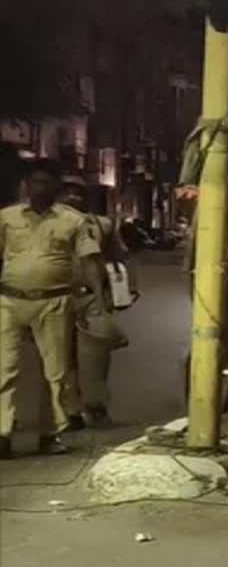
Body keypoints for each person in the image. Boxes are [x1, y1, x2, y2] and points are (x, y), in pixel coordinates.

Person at [0, 160, 106, 459]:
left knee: (55, 372)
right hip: (9, 301)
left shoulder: (72, 221)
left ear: (55, 189)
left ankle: (51, 433)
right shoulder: (7, 217)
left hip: (54, 302)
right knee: (3, 369)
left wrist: (98, 298)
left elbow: (89, 260)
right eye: (34, 182)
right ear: (26, 186)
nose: (39, 189)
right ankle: (2, 434)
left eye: (46, 183)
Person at [62, 177, 130, 428]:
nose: (73, 198)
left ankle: (96, 405)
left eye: (78, 193)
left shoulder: (102, 224)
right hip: (57, 297)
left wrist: (119, 292)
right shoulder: (50, 222)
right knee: (62, 358)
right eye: (67, 193)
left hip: (92, 298)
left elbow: (118, 258)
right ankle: (70, 411)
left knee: (95, 358)